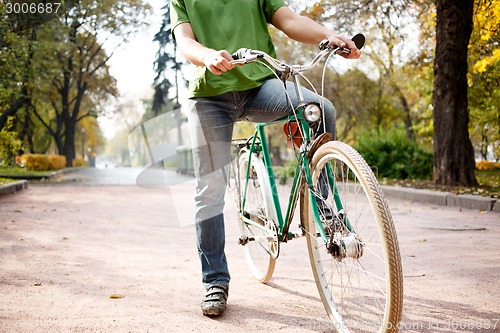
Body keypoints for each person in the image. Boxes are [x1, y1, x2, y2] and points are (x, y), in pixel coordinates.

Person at [170, 0, 360, 317]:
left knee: (321, 109)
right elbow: (185, 41)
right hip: (209, 96)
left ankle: (327, 213)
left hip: (261, 86)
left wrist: (329, 35)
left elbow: (288, 19)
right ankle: (215, 281)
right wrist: (207, 56)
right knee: (210, 190)